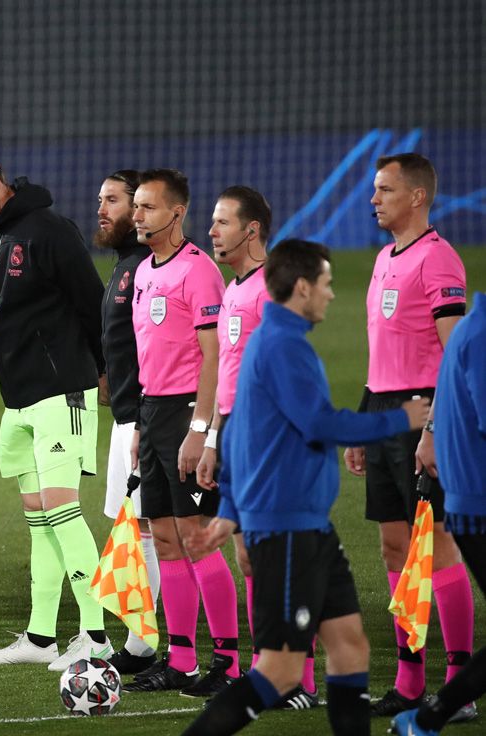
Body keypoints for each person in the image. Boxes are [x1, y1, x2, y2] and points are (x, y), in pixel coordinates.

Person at [180, 238, 431, 736]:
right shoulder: (283, 347)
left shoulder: (269, 343)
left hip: (311, 528)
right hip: (289, 531)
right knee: (279, 670)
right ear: (302, 288)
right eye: (326, 284)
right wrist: (400, 418)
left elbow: (243, 435)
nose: (331, 295)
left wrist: (229, 506)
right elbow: (318, 423)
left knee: (351, 646)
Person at [0, 149, 110, 670]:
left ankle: (96, 635)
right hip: (18, 400)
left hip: (63, 392)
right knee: (40, 522)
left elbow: (91, 302)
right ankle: (41, 639)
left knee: (64, 513)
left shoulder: (52, 231)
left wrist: (105, 373)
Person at [342, 153, 475, 719]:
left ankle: (460, 687)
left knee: (436, 546)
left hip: (426, 415)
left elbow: (457, 357)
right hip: (385, 413)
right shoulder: (382, 259)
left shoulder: (439, 260)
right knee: (395, 547)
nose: (374, 198)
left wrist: (437, 432)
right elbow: (383, 351)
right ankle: (409, 680)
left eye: (384, 190)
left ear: (417, 197)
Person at [123, 169, 241, 695]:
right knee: (166, 540)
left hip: (186, 412)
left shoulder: (198, 272)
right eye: (136, 207)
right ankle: (182, 661)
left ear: (176, 213)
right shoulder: (146, 271)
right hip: (153, 414)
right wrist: (140, 426)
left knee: (197, 538)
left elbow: (214, 356)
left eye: (147, 207)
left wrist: (201, 428)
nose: (137, 215)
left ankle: (230, 662)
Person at [192, 185, 293, 702]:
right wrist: (213, 440)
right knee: (249, 558)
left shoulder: (273, 287)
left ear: (251, 230)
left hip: (267, 432)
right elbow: (227, 375)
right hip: (233, 431)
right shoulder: (235, 289)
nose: (212, 231)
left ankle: (297, 677)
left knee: (277, 555)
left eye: (222, 222)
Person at [391, 290, 486, 734]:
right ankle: (431, 713)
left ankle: (431, 714)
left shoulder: (470, 328)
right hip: (478, 505)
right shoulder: (480, 335)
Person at [94, 169, 163, 674]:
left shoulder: (146, 268)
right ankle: (143, 642)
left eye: (115, 200)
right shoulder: (126, 265)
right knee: (137, 528)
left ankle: (145, 647)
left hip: (147, 416)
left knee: (151, 530)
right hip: (126, 413)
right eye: (105, 200)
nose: (108, 209)